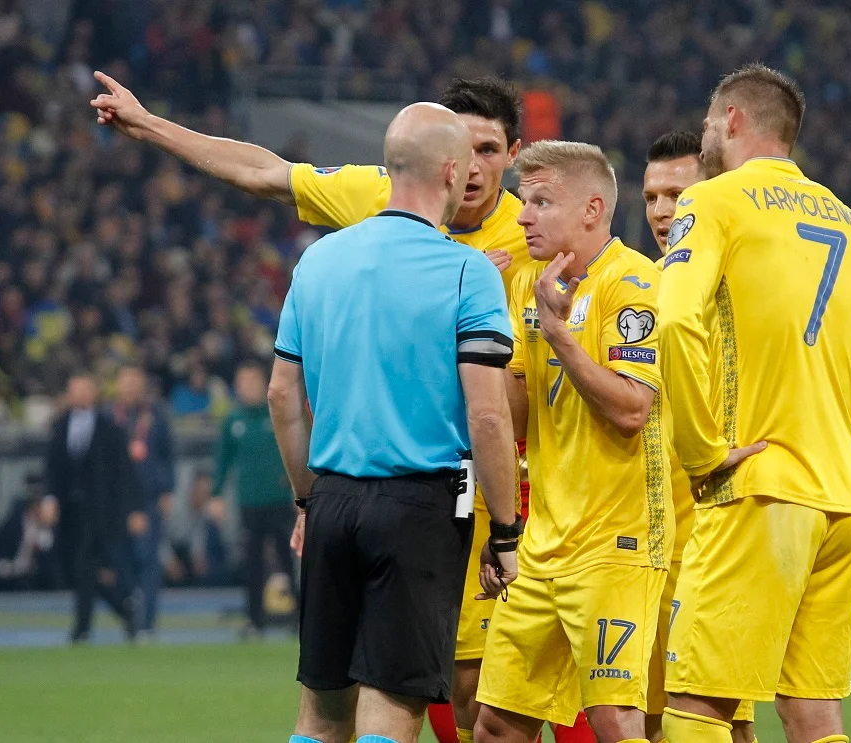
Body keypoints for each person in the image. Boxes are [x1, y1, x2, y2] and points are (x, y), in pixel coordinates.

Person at [89, 72, 595, 743]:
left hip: (480, 494)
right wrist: (152, 125)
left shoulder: (536, 232)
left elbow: (284, 391)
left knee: (446, 704)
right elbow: (264, 171)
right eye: (464, 150)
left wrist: (310, 497)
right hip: (431, 498)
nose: (473, 168)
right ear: (439, 161)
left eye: (489, 151)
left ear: (511, 153)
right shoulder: (385, 202)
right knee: (409, 698)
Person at [657, 64, 851, 743]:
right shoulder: (850, 223)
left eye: (706, 122)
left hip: (759, 488)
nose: (703, 135)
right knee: (811, 714)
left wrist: (701, 452)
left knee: (695, 706)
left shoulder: (714, 200)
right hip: (843, 501)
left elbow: (673, 321)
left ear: (731, 119)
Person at [268, 102, 521, 743]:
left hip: (332, 501)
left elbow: (281, 396)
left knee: (321, 714)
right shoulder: (467, 270)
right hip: (420, 508)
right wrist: (507, 531)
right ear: (449, 170)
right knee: (392, 709)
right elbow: (488, 415)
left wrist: (307, 496)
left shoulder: (317, 261)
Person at [474, 140, 672, 743]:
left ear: (591, 209)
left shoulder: (633, 283)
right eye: (523, 201)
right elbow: (516, 414)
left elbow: (634, 408)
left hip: (617, 544)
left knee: (614, 721)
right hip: (543, 543)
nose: (523, 215)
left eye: (540, 202)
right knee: (497, 727)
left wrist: (558, 334)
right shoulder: (529, 283)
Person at [642, 130, 757, 743]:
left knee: (723, 719)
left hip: (716, 536)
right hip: (649, 545)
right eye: (652, 197)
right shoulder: (641, 284)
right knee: (656, 721)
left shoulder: (736, 288)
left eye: (677, 195)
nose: (663, 212)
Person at [45, 373, 148, 643]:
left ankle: (82, 628)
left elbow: (124, 474)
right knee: (79, 570)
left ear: (94, 393)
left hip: (98, 512)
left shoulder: (109, 429)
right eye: (74, 390)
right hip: (69, 512)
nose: (79, 395)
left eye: (84, 389)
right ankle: (123, 607)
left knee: (84, 565)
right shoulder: (58, 426)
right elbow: (52, 469)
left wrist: (133, 509)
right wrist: (50, 499)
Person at [214, 361, 296, 636]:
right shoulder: (233, 421)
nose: (247, 387)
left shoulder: (277, 414)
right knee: (253, 561)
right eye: (242, 381)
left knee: (289, 559)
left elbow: (297, 447)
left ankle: (299, 617)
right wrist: (216, 495)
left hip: (279, 499)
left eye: (252, 381)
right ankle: (254, 619)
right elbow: (222, 461)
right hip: (249, 502)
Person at [110, 364, 175, 636]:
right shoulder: (109, 416)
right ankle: (128, 614)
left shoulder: (156, 415)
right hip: (114, 499)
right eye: (126, 381)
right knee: (117, 560)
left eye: (135, 381)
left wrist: (166, 491)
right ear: (118, 384)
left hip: (148, 497)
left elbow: (167, 455)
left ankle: (146, 622)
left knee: (147, 559)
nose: (130, 387)